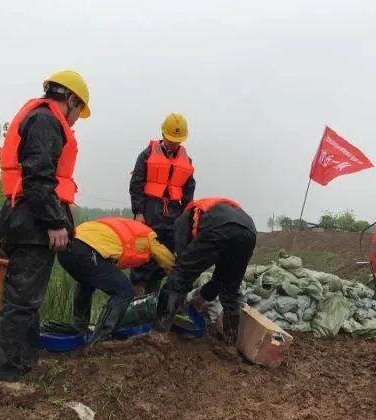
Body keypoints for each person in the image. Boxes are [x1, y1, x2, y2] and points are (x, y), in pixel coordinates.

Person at [0, 70, 91, 381]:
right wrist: (56, 222)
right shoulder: (47, 121)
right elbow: (39, 178)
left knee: (27, 298)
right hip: (33, 220)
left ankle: (23, 360)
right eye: (77, 113)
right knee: (21, 301)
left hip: (23, 217)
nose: (74, 122)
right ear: (70, 99)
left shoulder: (40, 119)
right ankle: (2, 374)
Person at [154, 198, 257, 343]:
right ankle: (232, 341)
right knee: (230, 289)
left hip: (219, 226)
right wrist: (202, 297)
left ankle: (159, 331)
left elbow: (183, 262)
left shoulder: (185, 217)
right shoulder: (221, 210)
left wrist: (180, 292)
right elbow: (220, 278)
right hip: (249, 232)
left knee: (180, 274)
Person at [57, 217, 174, 344]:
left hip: (65, 249)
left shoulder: (124, 225)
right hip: (87, 252)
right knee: (125, 291)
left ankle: (80, 327)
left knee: (86, 282)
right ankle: (99, 339)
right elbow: (170, 264)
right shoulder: (150, 237)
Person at [129, 113, 196, 296]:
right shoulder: (147, 154)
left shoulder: (186, 160)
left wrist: (186, 217)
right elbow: (136, 183)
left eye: (177, 140)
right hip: (149, 213)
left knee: (162, 261)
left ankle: (153, 303)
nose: (173, 143)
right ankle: (136, 303)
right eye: (170, 139)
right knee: (142, 260)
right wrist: (138, 212)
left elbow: (189, 190)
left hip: (172, 216)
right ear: (163, 133)